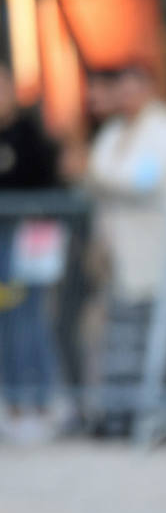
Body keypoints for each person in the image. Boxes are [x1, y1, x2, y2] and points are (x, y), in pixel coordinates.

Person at [86, 62, 166, 438]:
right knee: (123, 340)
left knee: (164, 340)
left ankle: (163, 417)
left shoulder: (164, 130)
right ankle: (122, 414)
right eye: (122, 90)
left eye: (134, 89)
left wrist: (103, 178)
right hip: (124, 254)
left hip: (161, 253)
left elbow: (143, 179)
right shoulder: (114, 132)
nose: (126, 97)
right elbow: (102, 176)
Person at [0, 61, 63, 443]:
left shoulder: (29, 134)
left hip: (25, 245)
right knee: (5, 324)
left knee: (28, 322)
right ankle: (10, 402)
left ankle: (37, 401)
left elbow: (46, 182)